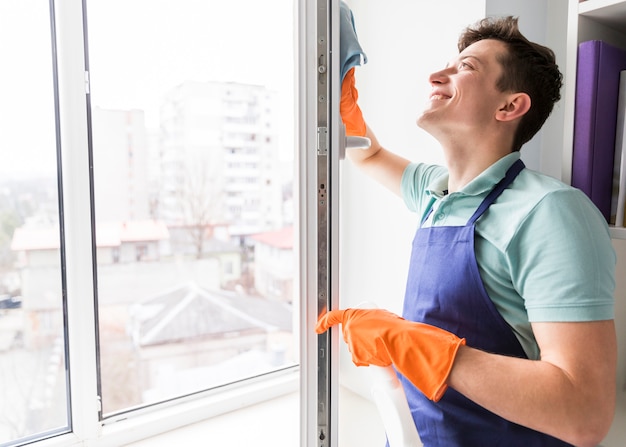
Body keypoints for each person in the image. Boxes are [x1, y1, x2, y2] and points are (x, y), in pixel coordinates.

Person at [316, 16, 617, 447]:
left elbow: (585, 415)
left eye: (467, 68)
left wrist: (414, 344)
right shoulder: (435, 192)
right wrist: (341, 85)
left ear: (509, 107)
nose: (437, 76)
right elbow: (369, 155)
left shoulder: (550, 213)